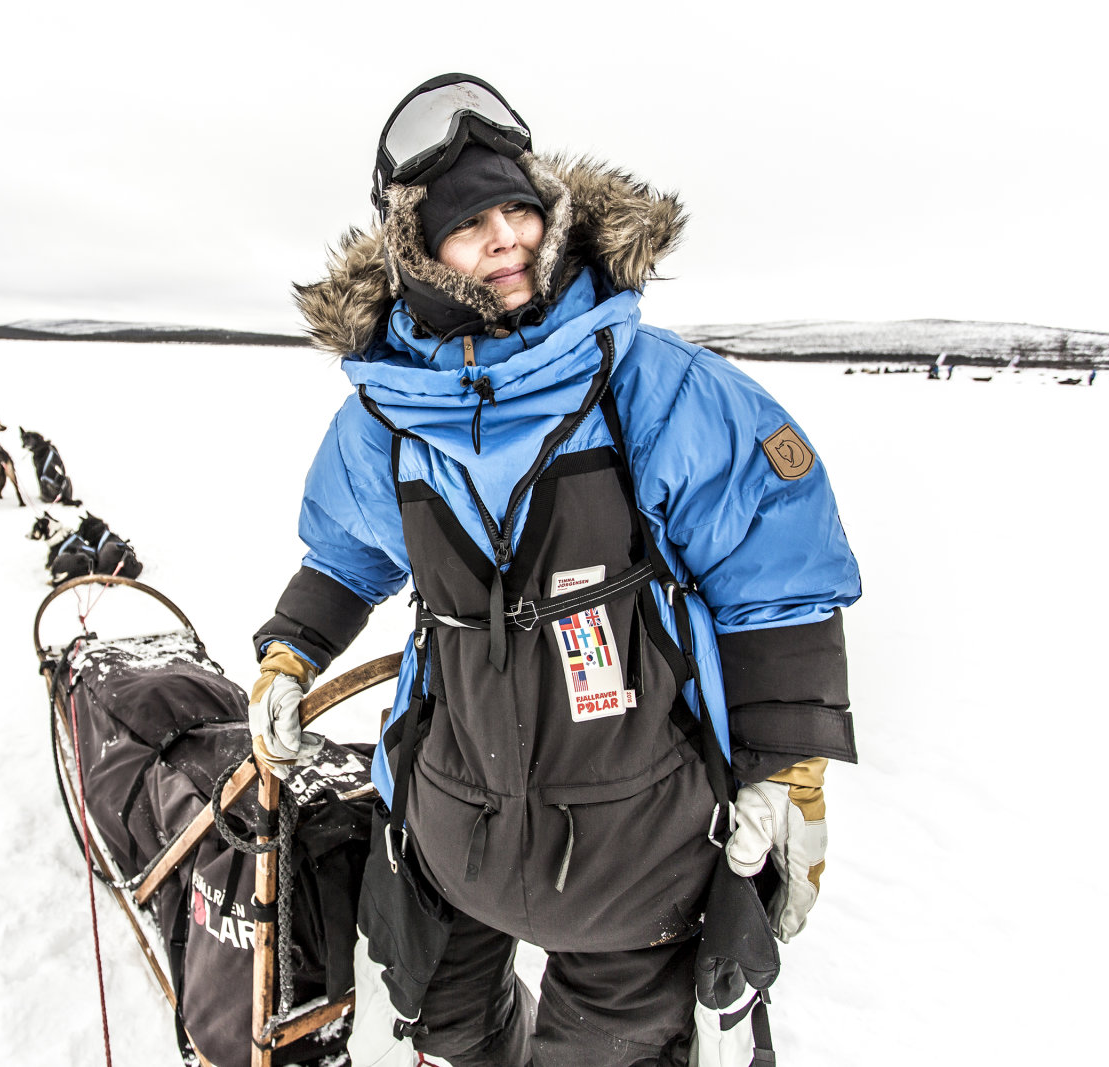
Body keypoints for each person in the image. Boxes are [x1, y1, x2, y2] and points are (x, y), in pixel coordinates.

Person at [249, 73, 860, 1066]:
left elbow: (774, 570)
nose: (506, 238)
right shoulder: (386, 417)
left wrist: (789, 770)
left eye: (519, 210)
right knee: (450, 1038)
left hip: (640, 858)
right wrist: (289, 652)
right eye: (468, 224)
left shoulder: (651, 387)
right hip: (452, 831)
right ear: (417, 251)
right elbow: (350, 549)